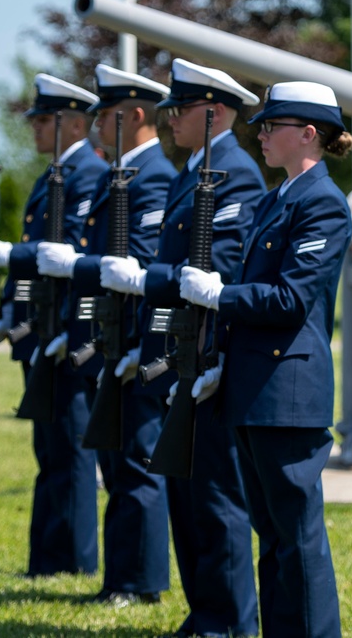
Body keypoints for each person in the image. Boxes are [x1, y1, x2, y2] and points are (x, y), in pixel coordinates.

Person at [180, 81, 351, 637]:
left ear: (308, 134)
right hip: (257, 387)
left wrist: (218, 295)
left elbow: (290, 300)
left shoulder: (322, 201)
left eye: (272, 126)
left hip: (288, 391)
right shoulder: (280, 197)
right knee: (274, 534)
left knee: (297, 537)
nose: (260, 134)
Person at [100, 58, 263, 638]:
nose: (169, 120)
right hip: (175, 350)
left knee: (215, 502)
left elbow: (216, 269)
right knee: (185, 496)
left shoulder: (235, 173)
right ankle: (205, 614)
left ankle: (230, 622)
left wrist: (147, 280)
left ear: (214, 112)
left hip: (207, 352)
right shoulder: (190, 172)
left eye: (181, 108)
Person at [34, 64, 176, 607]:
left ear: (135, 116)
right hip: (109, 336)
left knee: (136, 463)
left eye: (107, 117)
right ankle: (121, 578)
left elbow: (136, 264)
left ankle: (139, 582)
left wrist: (81, 266)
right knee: (117, 463)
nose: (95, 127)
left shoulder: (154, 175)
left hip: (137, 335)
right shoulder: (122, 175)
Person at [0, 74, 108, 574]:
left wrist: (10, 255)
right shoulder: (55, 173)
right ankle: (47, 556)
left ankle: (72, 558)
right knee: (49, 447)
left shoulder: (89, 173)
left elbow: (67, 248)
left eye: (44, 120)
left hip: (66, 327)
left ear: (73, 123)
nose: (35, 130)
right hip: (40, 326)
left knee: (69, 449)